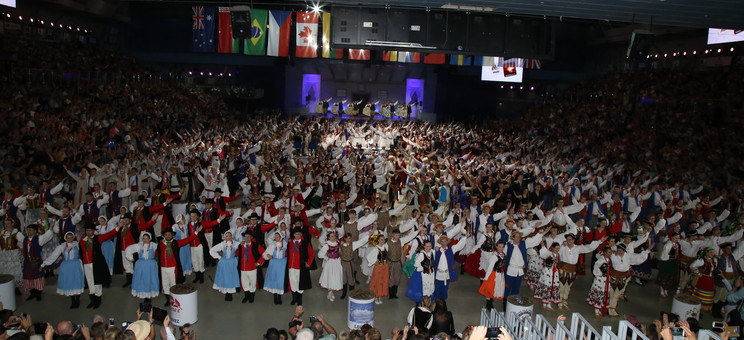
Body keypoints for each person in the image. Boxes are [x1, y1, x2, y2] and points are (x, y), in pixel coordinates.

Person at [79, 222, 118, 308]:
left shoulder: (97, 238)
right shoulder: (82, 240)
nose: (89, 232)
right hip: (86, 264)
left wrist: (118, 227)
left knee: (97, 282)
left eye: (90, 230)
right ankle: (92, 299)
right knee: (90, 282)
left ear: (93, 231)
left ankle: (98, 300)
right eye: (87, 230)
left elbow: (108, 235)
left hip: (96, 264)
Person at [41, 231, 85, 309]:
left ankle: (77, 299)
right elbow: (53, 256)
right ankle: (73, 300)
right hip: (66, 267)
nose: (70, 239)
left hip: (76, 266)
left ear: (73, 237)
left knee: (76, 282)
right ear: (65, 238)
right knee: (69, 283)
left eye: (71, 237)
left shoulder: (77, 244)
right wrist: (44, 264)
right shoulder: (62, 246)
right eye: (68, 238)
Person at [159, 226, 201, 306]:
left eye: (169, 234)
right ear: (164, 236)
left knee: (173, 283)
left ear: (172, 235)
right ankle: (168, 299)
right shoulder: (160, 244)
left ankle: (174, 299)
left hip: (173, 267)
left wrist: (196, 233)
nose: (168, 236)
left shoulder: (175, 243)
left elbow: (187, 240)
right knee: (165, 284)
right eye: (166, 235)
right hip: (163, 267)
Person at [608, 243, 650, 316]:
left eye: (621, 250)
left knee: (617, 294)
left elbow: (639, 257)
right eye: (618, 250)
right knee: (612, 293)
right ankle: (610, 309)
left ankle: (612, 309)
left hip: (622, 277)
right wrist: (612, 251)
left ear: (624, 250)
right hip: (614, 276)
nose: (619, 251)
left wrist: (647, 250)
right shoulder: (613, 255)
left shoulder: (629, 256)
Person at [17, 224, 55, 301]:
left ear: (35, 231)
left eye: (30, 230)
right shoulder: (25, 239)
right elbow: (20, 243)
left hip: (36, 262)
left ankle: (38, 294)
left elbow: (48, 234)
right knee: (28, 277)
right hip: (27, 262)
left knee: (37, 278)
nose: (28, 231)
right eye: (27, 230)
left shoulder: (39, 239)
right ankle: (32, 293)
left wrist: (51, 227)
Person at [285, 227, 316, 306]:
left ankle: (299, 299)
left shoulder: (305, 243)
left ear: (301, 234)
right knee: (293, 282)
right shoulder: (290, 243)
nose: (297, 235)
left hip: (300, 267)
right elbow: (287, 254)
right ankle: (294, 298)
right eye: (296, 234)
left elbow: (312, 255)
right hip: (291, 267)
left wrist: (308, 263)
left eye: (299, 234)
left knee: (300, 283)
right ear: (293, 235)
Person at [125, 232, 160, 300]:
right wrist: (130, 258)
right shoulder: (139, 246)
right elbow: (129, 249)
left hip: (150, 265)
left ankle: (149, 294)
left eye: (147, 238)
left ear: (150, 239)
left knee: (150, 279)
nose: (145, 240)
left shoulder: (154, 245)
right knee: (141, 279)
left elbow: (161, 247)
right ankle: (143, 293)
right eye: (143, 238)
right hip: (140, 265)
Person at [209, 230, 241, 301]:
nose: (228, 237)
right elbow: (212, 250)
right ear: (224, 237)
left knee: (231, 277)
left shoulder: (236, 243)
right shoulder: (222, 244)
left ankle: (230, 293)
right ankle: (226, 292)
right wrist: (219, 257)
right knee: (225, 277)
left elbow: (242, 246)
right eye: (227, 236)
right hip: (224, 263)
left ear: (232, 236)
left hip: (232, 262)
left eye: (230, 236)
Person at [237, 230, 265, 303]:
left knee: (253, 282)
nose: (246, 238)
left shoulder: (255, 245)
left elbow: (264, 253)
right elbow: (237, 254)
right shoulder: (241, 245)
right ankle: (246, 296)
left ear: (251, 238)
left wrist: (259, 262)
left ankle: (252, 296)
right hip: (243, 268)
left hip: (252, 268)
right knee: (244, 282)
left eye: (248, 237)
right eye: (245, 237)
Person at [263, 231, 288, 304]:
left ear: (281, 237)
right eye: (275, 237)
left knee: (280, 279)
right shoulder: (272, 245)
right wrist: (267, 255)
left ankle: (279, 296)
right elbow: (265, 253)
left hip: (282, 263)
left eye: (277, 237)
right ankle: (275, 296)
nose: (276, 238)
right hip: (274, 263)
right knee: (274, 278)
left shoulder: (285, 244)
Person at [587, 247, 613, 316]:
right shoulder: (600, 261)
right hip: (600, 280)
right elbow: (595, 269)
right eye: (609, 252)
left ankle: (601, 306)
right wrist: (600, 275)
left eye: (611, 252)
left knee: (604, 293)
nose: (610, 254)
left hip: (606, 279)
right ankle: (597, 309)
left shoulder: (608, 260)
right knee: (599, 293)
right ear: (605, 252)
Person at [690, 247, 718, 312]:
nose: (712, 254)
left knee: (707, 295)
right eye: (711, 252)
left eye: (713, 253)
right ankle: (696, 309)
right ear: (706, 252)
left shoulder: (714, 260)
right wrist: (698, 273)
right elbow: (692, 266)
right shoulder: (702, 260)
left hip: (710, 280)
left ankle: (700, 310)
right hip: (703, 279)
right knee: (699, 295)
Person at [318, 231, 343, 302]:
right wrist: (326, 258)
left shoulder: (338, 243)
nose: (333, 237)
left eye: (334, 236)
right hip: (330, 263)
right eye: (331, 236)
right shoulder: (326, 245)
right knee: (330, 277)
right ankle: (330, 292)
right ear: (328, 237)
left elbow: (340, 251)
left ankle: (332, 290)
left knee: (335, 276)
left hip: (337, 262)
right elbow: (320, 254)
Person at [0, 218, 23, 291]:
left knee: (14, 271)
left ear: (12, 224)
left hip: (14, 255)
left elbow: (23, 243)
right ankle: (8, 287)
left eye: (8, 223)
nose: (6, 225)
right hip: (4, 255)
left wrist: (20, 248)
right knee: (5, 270)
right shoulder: (2, 233)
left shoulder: (16, 233)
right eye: (5, 224)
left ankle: (16, 288)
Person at [366, 234, 389, 304]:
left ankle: (380, 295)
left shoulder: (385, 247)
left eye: (384, 239)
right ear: (378, 240)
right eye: (381, 240)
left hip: (384, 267)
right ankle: (376, 296)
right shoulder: (376, 249)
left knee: (383, 281)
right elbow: (368, 256)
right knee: (377, 281)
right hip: (378, 267)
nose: (383, 241)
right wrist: (373, 262)